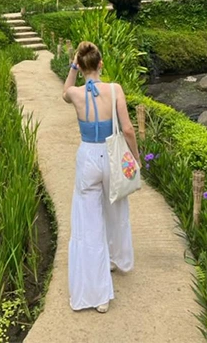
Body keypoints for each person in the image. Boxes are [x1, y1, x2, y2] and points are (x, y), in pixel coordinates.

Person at [62, 41, 140, 313]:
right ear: (101, 64)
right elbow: (128, 129)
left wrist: (74, 63)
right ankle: (117, 258)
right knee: (117, 209)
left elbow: (64, 91)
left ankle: (99, 295)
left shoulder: (74, 93)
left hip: (88, 158)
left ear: (81, 67)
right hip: (112, 155)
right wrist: (136, 158)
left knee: (89, 225)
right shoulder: (115, 89)